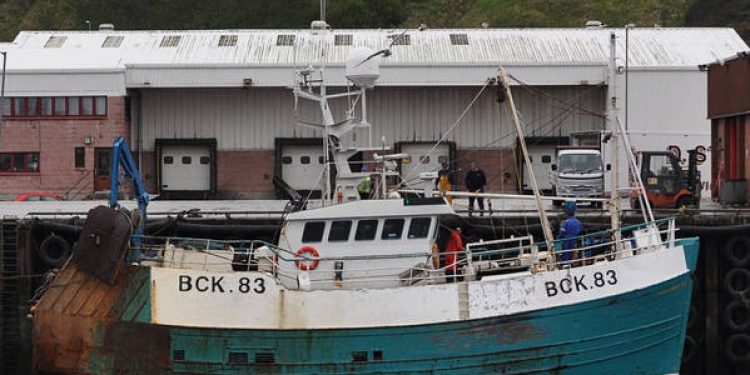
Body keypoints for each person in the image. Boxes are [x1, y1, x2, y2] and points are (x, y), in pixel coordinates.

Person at [557, 200, 583, 268]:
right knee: (574, 255)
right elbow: (580, 231)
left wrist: (558, 239)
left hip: (566, 242)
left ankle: (565, 266)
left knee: (566, 256)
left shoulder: (565, 223)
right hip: (575, 242)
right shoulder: (578, 222)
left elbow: (561, 234)